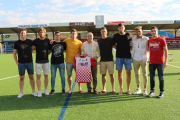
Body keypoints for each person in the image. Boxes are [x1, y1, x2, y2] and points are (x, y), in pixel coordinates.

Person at [13, 28, 37, 98]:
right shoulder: (17, 43)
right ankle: (21, 92)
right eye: (22, 33)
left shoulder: (30, 41)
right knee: (21, 78)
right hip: (21, 63)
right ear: (20, 34)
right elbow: (14, 53)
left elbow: (33, 48)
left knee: (31, 77)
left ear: (26, 34)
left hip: (29, 62)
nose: (23, 34)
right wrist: (16, 61)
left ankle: (33, 91)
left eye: (24, 33)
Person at [148, 26, 168, 98]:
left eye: (155, 31)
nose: (153, 32)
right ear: (151, 32)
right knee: (151, 78)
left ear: (157, 32)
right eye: (152, 31)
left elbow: (166, 50)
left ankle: (161, 92)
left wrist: (166, 61)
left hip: (160, 62)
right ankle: (152, 91)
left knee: (161, 78)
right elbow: (147, 50)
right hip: (151, 62)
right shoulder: (149, 41)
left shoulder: (162, 40)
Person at [113, 23, 132, 95]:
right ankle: (121, 89)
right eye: (119, 28)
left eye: (122, 27)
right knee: (119, 73)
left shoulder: (128, 35)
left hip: (127, 56)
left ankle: (128, 89)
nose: (121, 29)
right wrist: (117, 48)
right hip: (118, 57)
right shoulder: (115, 36)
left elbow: (132, 43)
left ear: (124, 28)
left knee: (128, 73)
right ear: (118, 29)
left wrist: (129, 48)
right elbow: (113, 44)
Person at [63, 29, 84, 94]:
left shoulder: (79, 42)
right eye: (72, 33)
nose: (73, 35)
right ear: (70, 34)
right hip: (68, 61)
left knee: (79, 75)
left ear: (76, 34)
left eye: (74, 33)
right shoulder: (66, 41)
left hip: (77, 62)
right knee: (69, 76)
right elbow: (60, 44)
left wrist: (79, 54)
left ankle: (80, 89)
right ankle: (70, 89)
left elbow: (81, 52)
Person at [32, 27, 50, 97]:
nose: (41, 33)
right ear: (38, 33)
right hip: (38, 61)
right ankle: (39, 91)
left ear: (45, 33)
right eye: (40, 32)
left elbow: (50, 49)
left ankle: (45, 89)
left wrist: (48, 53)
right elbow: (32, 48)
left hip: (46, 61)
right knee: (38, 76)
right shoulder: (35, 41)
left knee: (46, 76)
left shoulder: (48, 40)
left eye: (43, 32)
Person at [131, 26, 149, 96]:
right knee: (136, 74)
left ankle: (145, 89)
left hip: (143, 59)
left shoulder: (146, 39)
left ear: (142, 32)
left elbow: (149, 47)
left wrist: (147, 56)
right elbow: (132, 47)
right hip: (135, 59)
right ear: (135, 32)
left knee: (144, 74)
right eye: (137, 31)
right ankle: (138, 89)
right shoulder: (133, 39)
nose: (138, 33)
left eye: (139, 31)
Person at [98, 27, 116, 94]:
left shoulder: (111, 39)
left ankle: (113, 89)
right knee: (103, 75)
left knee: (111, 75)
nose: (103, 32)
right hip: (102, 60)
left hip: (110, 60)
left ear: (107, 32)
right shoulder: (99, 40)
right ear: (101, 32)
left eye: (104, 31)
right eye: (102, 31)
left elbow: (115, 46)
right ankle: (104, 89)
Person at [49, 31, 66, 95]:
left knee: (62, 77)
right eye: (56, 35)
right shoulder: (51, 43)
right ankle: (52, 89)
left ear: (60, 36)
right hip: (53, 63)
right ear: (54, 36)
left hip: (61, 62)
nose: (57, 36)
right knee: (53, 77)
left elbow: (66, 50)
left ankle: (63, 89)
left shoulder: (63, 44)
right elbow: (49, 52)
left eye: (58, 35)